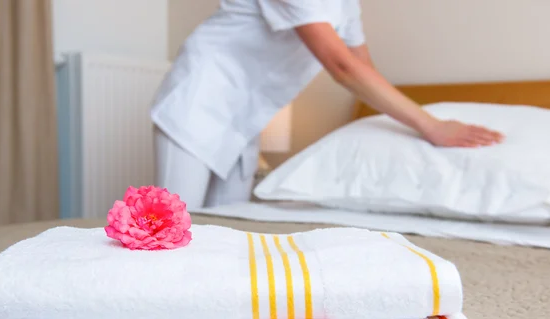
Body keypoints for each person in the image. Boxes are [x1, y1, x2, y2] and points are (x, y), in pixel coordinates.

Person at [150, 0, 503, 210]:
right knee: (173, 228)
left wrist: (410, 128)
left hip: (245, 117)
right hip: (199, 99)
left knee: (224, 234)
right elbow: (342, 67)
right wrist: (431, 125)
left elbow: (364, 71)